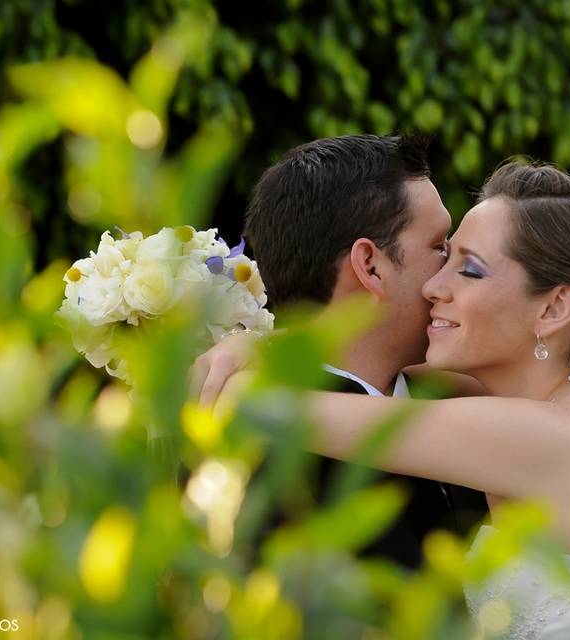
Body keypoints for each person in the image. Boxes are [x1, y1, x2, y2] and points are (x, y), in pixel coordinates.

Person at [203, 161, 570, 637]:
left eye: (469, 270)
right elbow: (387, 362)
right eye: (443, 255)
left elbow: (270, 410)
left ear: (556, 306)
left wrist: (236, 353)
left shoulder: (540, 436)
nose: (433, 287)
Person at [190, 133, 487, 569]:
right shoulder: (263, 467)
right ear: (370, 265)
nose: (452, 274)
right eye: (439, 246)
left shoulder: (470, 398)